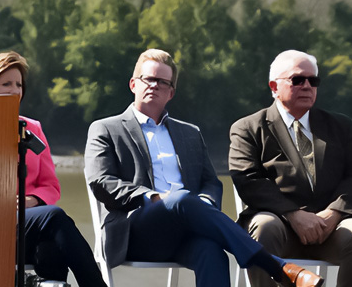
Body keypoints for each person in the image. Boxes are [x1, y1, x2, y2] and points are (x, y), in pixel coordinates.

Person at [85, 48, 323, 287]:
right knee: (180, 199)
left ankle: (276, 267)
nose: (154, 85)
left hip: (187, 230)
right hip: (135, 232)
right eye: (148, 79)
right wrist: (155, 197)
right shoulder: (106, 129)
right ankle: (277, 267)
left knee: (211, 251)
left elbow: (210, 182)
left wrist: (205, 204)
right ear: (133, 84)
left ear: (171, 93)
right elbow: (101, 181)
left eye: (162, 82)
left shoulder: (189, 133)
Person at [229, 50, 352, 287]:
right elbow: (248, 181)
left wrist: (333, 215)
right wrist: (293, 214)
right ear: (273, 87)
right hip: (280, 226)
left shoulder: (339, 125)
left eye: (313, 81)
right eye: (297, 80)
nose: (307, 86)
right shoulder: (248, 128)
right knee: (263, 227)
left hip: (330, 228)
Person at [0, 51, 107, 287]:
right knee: (55, 217)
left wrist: (33, 200)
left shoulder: (32, 128)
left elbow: (51, 186)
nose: (15, 90)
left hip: (28, 225)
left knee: (52, 246)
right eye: (6, 84)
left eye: (18, 84)